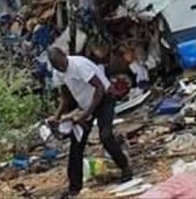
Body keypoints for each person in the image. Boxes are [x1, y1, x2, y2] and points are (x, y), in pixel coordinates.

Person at [47, 47, 132, 198]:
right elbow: (65, 97)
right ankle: (74, 187)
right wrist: (57, 116)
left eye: (62, 64)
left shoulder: (79, 65)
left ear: (65, 56)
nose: (61, 68)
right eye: (57, 67)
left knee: (105, 135)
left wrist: (85, 114)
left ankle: (125, 167)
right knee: (76, 144)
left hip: (104, 98)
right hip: (86, 104)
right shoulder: (58, 72)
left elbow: (99, 88)